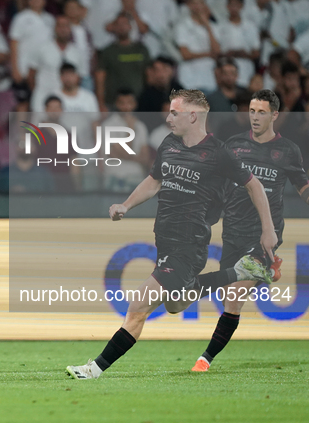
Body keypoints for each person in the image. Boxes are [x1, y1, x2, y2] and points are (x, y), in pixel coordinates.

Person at [66, 89, 278, 380]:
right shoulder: (169, 144)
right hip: (164, 242)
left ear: (193, 116)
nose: (167, 119)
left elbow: (254, 186)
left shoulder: (218, 152)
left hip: (189, 245)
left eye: (174, 113)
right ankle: (239, 271)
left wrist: (268, 230)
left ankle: (94, 369)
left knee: (138, 306)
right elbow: (154, 181)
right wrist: (125, 205)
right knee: (175, 304)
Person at [191, 89, 309, 372]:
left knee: (233, 294)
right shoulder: (234, 144)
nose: (255, 117)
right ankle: (268, 270)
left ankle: (204, 359)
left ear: (275, 115)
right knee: (230, 302)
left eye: (262, 112)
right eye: (252, 111)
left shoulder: (288, 151)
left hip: (264, 236)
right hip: (233, 233)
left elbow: (303, 187)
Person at [28, 15, 84, 113]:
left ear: (70, 29)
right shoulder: (42, 49)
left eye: (66, 26)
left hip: (66, 101)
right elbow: (31, 74)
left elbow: (79, 78)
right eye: (59, 26)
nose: (63, 29)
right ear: (54, 29)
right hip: (42, 97)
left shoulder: (76, 53)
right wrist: (37, 91)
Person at [96, 12, 149, 112]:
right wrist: (101, 103)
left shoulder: (142, 49)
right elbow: (100, 78)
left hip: (139, 102)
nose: (121, 27)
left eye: (124, 23)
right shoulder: (108, 51)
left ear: (130, 26)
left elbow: (149, 76)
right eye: (118, 24)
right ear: (114, 28)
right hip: (113, 103)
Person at [174, 0, 221, 92]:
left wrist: (207, 26)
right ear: (189, 6)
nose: (197, 6)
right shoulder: (182, 26)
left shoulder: (214, 27)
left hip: (208, 78)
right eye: (194, 3)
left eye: (200, 3)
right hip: (188, 79)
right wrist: (208, 54)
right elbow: (185, 54)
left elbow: (217, 51)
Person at [216, 0, 260, 87]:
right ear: (227, 6)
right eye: (232, 5)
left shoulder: (250, 26)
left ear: (242, 6)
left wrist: (245, 54)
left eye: (237, 5)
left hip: (246, 71)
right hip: (226, 71)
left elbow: (256, 53)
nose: (234, 8)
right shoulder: (220, 26)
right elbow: (216, 51)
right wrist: (228, 54)